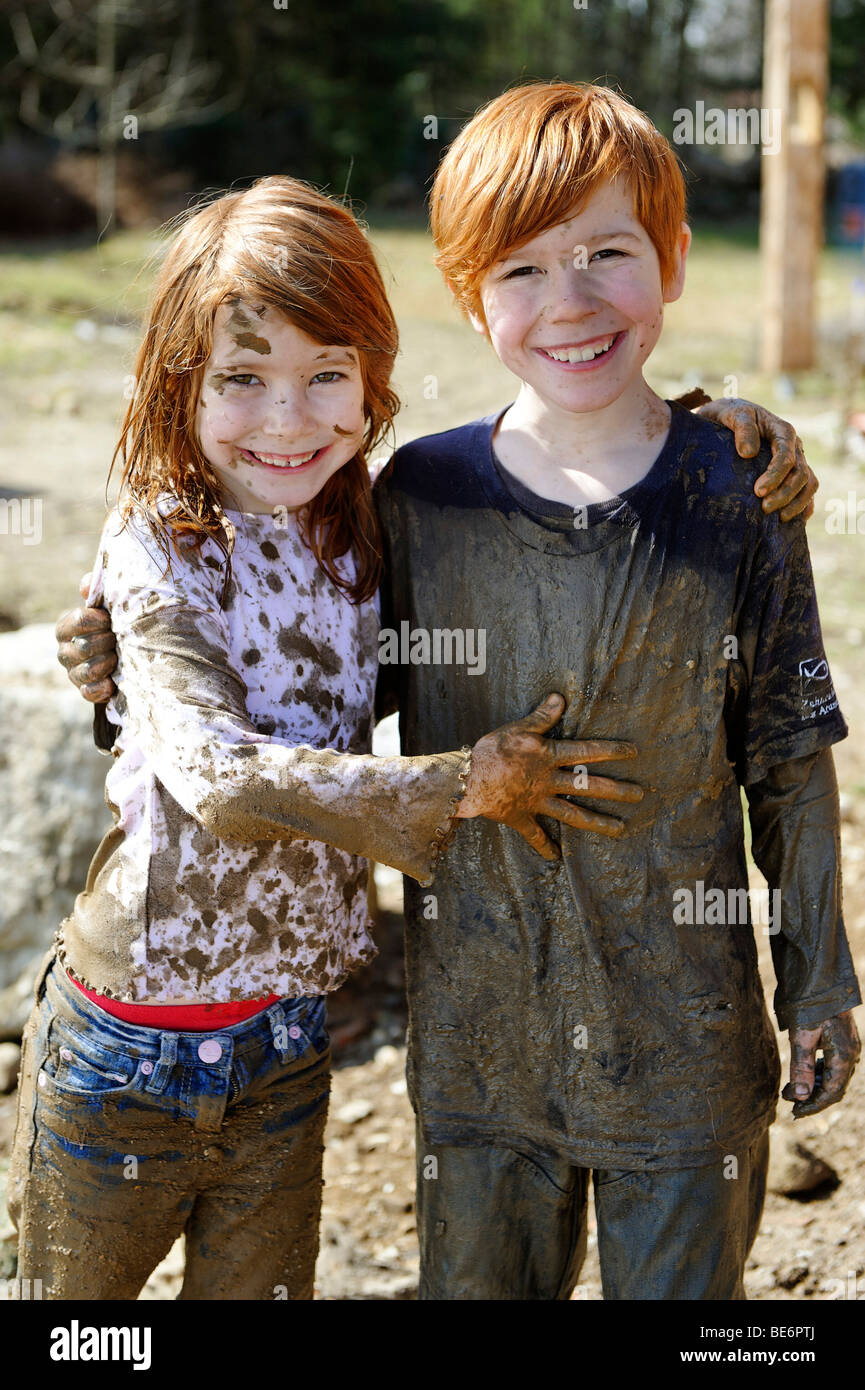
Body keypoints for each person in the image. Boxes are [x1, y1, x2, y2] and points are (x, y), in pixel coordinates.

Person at [55, 95, 850, 1301]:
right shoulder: (417, 499)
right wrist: (126, 668)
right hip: (477, 1044)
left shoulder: (736, 491)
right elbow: (301, 709)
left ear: (674, 260)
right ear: (469, 293)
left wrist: (819, 979)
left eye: (607, 254)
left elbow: (789, 756)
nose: (571, 301)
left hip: (684, 1046)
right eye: (524, 268)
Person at [8, 173, 646, 1302]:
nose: (290, 420)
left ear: (372, 382)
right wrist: (460, 784)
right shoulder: (162, 543)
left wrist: (707, 434)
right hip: (126, 1054)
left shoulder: (358, 526)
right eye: (243, 380)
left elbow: (539, 497)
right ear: (179, 387)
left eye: (326, 376)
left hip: (292, 1046)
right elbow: (216, 775)